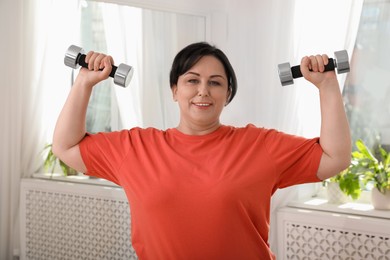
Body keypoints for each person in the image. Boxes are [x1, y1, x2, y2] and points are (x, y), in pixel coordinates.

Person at [52, 42, 351, 259]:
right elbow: (65, 147)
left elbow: (335, 158)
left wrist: (327, 85)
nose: (203, 91)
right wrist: (85, 82)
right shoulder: (136, 147)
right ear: (174, 90)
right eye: (192, 80)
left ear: (228, 94)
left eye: (215, 83)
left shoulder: (260, 146)